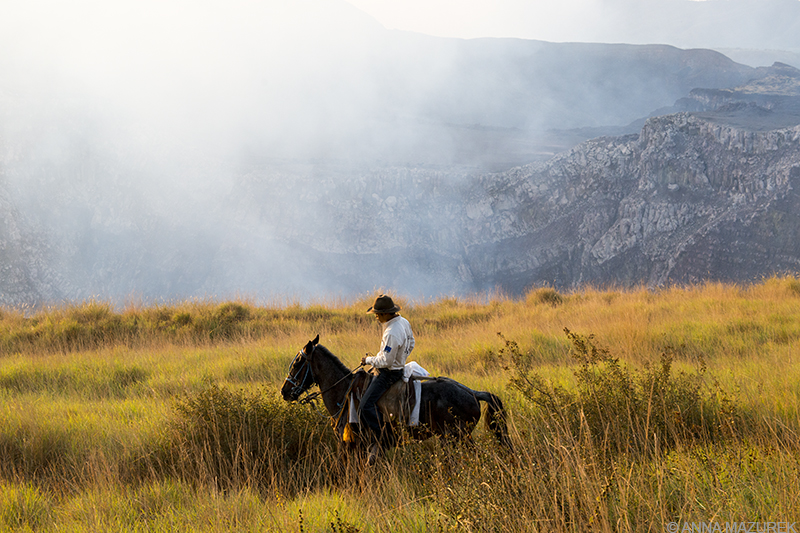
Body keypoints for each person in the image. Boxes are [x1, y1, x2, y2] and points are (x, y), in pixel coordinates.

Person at [359, 294, 415, 465]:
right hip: (397, 367)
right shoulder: (403, 322)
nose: (376, 316)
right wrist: (402, 357)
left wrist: (368, 360)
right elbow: (411, 342)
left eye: (377, 313)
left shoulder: (391, 332)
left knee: (365, 406)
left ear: (385, 313)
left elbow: (386, 361)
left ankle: (382, 438)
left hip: (388, 374)